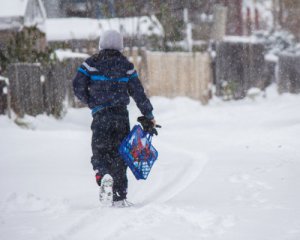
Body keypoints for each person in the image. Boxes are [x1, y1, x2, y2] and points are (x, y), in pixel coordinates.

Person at [72, 30, 156, 207]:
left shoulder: (91, 64)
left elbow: (77, 85)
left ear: (101, 44)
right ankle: (118, 195)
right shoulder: (126, 65)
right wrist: (148, 115)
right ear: (121, 45)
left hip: (101, 115)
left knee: (100, 151)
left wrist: (91, 101)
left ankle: (103, 175)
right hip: (120, 116)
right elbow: (138, 93)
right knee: (120, 155)